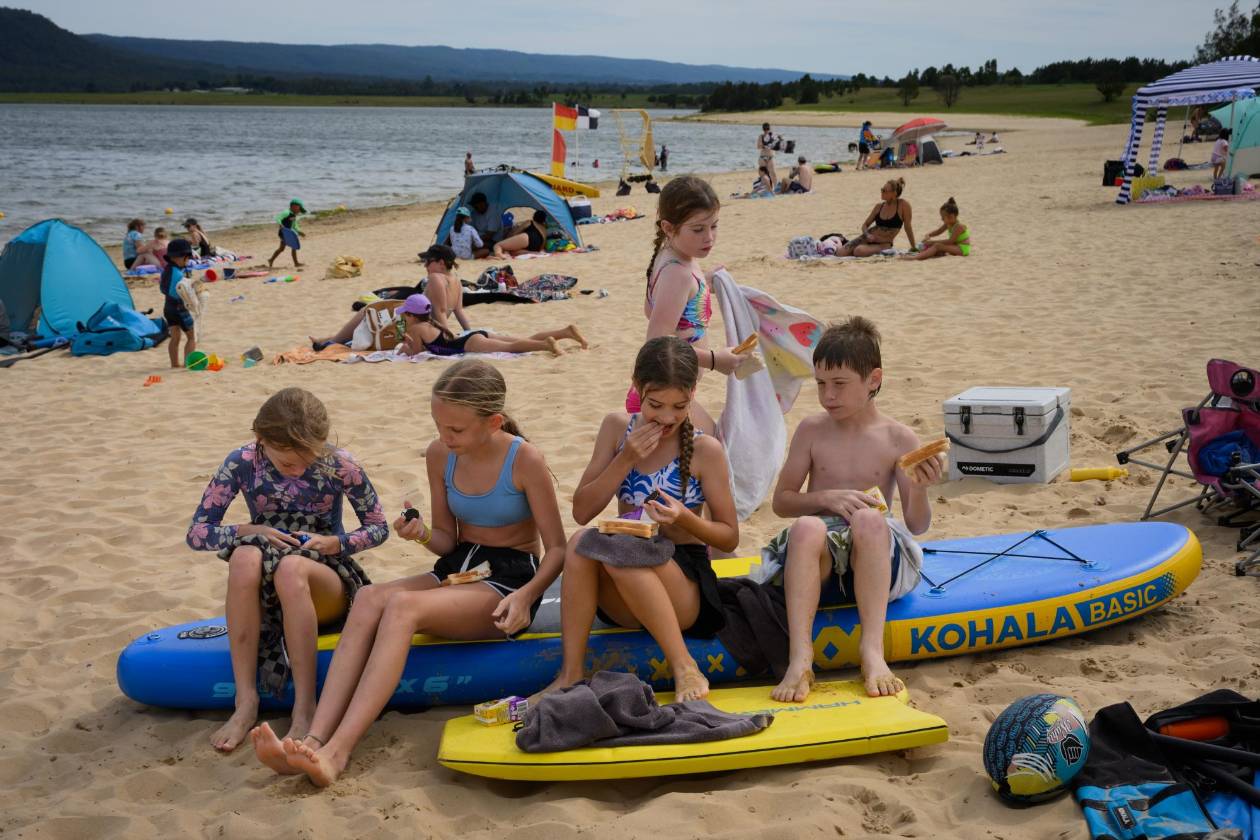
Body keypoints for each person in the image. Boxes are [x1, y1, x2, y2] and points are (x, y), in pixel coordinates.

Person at [253, 360, 567, 786]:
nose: (444, 437)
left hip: (509, 579)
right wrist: (419, 534)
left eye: (455, 429)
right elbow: (446, 541)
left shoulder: (523, 459)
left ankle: (337, 753)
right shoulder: (441, 455)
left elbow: (558, 550)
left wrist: (528, 596)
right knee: (367, 597)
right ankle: (313, 737)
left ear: (493, 421)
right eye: (439, 425)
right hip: (459, 567)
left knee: (401, 607)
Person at [538, 336, 739, 702]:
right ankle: (570, 674)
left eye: (679, 407)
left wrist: (685, 519)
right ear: (637, 388)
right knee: (584, 540)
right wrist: (626, 458)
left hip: (683, 586)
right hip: (624, 594)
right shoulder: (617, 429)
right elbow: (582, 510)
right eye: (655, 405)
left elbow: (729, 538)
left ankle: (684, 666)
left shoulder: (705, 449)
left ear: (693, 393)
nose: (666, 418)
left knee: (621, 550)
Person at [187, 387, 388, 752]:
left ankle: (305, 707)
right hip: (264, 586)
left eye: (306, 460)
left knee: (291, 568)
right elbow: (198, 534)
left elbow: (377, 526)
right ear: (261, 439)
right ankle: (245, 700)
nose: (298, 469)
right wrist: (250, 530)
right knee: (244, 556)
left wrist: (336, 543)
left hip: (325, 578)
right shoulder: (243, 462)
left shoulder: (339, 463)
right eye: (287, 463)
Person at [768, 317, 938, 703]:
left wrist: (922, 489)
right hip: (820, 561)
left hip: (873, 555)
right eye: (821, 384)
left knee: (868, 518)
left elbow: (917, 523)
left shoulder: (898, 438)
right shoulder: (812, 430)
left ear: (873, 379)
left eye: (840, 384)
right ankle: (800, 657)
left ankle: (872, 652)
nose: (828, 395)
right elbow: (782, 502)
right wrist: (826, 498)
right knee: (808, 526)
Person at [634, 175, 751, 432]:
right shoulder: (678, 272)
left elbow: (653, 308)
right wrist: (712, 360)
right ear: (668, 228)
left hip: (672, 391)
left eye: (714, 226)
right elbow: (656, 342)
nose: (709, 237)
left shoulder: (673, 256)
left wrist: (703, 285)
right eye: (698, 229)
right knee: (715, 450)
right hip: (667, 397)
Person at [308, 245, 470, 350]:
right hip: (416, 321)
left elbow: (440, 311)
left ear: (441, 263)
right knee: (371, 317)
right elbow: (459, 311)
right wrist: (468, 332)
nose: (425, 266)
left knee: (368, 311)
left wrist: (447, 339)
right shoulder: (456, 280)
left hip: (408, 323)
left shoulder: (436, 278)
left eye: (428, 262)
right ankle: (329, 338)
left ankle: (332, 342)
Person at [395, 293, 586, 357]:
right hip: (475, 336)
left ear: (411, 315)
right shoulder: (431, 323)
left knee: (512, 348)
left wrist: (404, 344)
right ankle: (565, 332)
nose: (405, 318)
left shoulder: (415, 329)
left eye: (406, 314)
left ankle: (546, 345)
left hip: (469, 343)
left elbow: (416, 352)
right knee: (522, 340)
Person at [836, 178, 917, 257]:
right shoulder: (879, 206)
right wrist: (867, 235)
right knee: (840, 253)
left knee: (859, 251)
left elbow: (908, 228)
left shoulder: (903, 205)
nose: (881, 192)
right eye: (882, 189)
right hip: (868, 238)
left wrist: (913, 247)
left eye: (884, 190)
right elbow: (865, 225)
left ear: (894, 193)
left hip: (884, 243)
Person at [160, 238, 197, 368]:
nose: (188, 261)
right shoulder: (177, 274)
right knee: (192, 336)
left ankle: (174, 364)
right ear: (181, 257)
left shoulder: (167, 270)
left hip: (168, 308)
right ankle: (188, 364)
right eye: (187, 258)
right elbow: (178, 292)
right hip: (179, 308)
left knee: (175, 337)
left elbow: (164, 289)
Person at [903, 196, 970, 260]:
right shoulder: (948, 224)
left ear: (951, 216)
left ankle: (916, 258)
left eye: (943, 217)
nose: (942, 219)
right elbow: (939, 231)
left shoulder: (959, 227)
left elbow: (950, 241)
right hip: (955, 246)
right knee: (937, 249)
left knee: (937, 246)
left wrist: (932, 242)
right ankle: (919, 253)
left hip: (962, 248)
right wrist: (929, 235)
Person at [268, 199, 306, 269]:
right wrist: (280, 224)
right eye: (299, 208)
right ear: (294, 206)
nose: (299, 211)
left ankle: (271, 260)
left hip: (288, 233)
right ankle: (296, 263)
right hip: (283, 233)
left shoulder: (294, 215)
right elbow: (278, 218)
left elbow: (294, 225)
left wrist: (299, 231)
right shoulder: (286, 212)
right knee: (287, 247)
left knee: (285, 248)